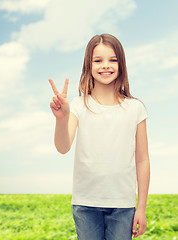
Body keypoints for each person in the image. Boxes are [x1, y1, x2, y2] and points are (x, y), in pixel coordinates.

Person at [49, 33, 150, 240]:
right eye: (98, 60)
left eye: (113, 59)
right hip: (86, 204)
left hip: (123, 205)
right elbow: (63, 146)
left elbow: (142, 160)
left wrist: (141, 208)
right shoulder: (78, 105)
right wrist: (62, 118)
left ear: (121, 64)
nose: (106, 65)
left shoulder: (135, 108)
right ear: (89, 65)